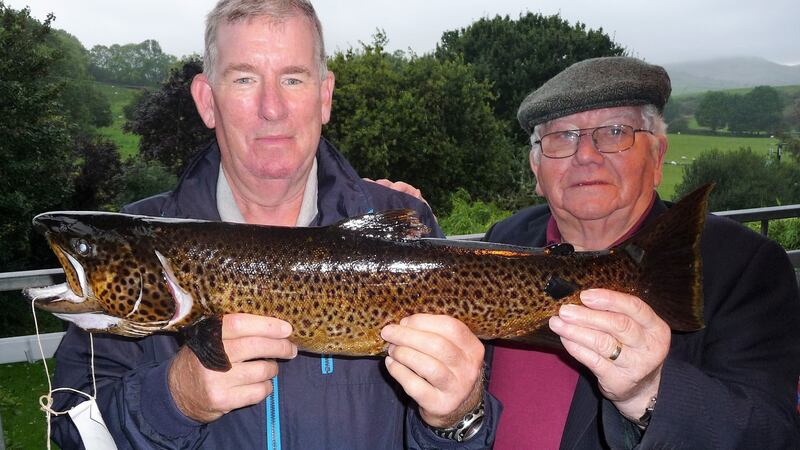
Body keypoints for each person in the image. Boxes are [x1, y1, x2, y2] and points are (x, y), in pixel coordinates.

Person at [50, 1, 499, 448]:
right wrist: (170, 400)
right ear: (207, 101)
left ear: (324, 97)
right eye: (245, 78)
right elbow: (69, 431)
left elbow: (469, 424)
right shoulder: (131, 249)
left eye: (293, 78)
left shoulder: (405, 222)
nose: (272, 108)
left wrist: (457, 418)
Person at [483, 56, 800, 448]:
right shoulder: (505, 240)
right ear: (536, 170)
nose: (585, 154)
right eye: (562, 137)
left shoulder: (739, 265)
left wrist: (650, 394)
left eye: (615, 132)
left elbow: (772, 434)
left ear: (657, 158)